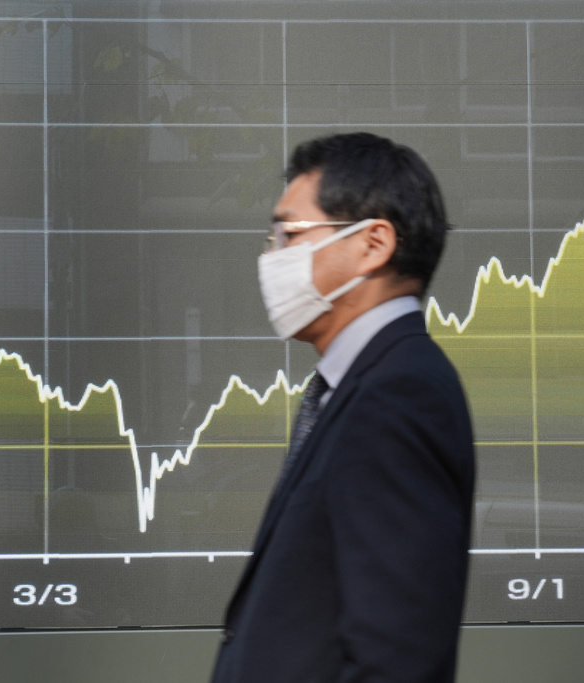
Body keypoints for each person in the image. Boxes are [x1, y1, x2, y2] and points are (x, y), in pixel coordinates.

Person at [210, 132, 476, 683]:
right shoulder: (361, 384)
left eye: (290, 233)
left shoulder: (399, 395)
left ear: (373, 244)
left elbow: (397, 655)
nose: (272, 255)